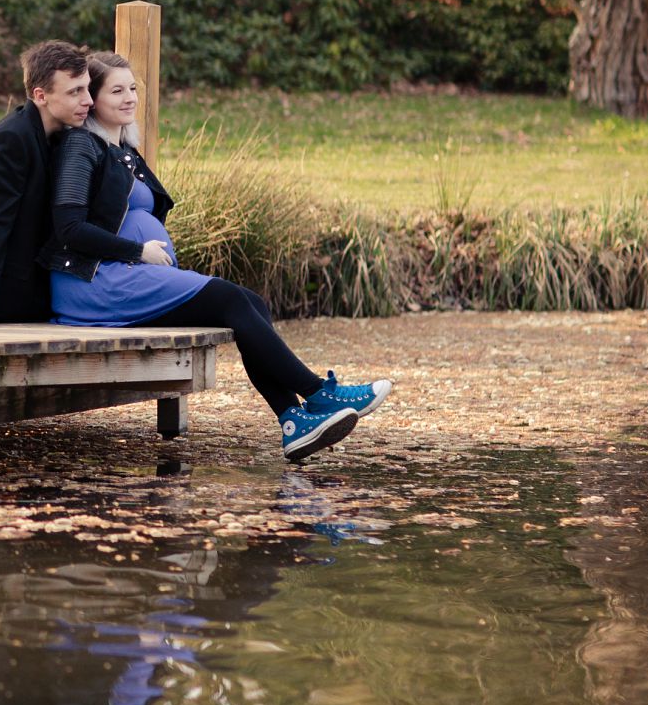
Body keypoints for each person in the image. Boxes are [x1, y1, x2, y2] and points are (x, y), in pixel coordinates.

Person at [39, 53, 393, 461]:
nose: (129, 97)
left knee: (251, 302)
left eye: (133, 88)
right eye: (115, 90)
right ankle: (318, 393)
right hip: (93, 281)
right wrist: (138, 250)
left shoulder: (124, 149)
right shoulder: (83, 145)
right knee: (230, 300)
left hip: (124, 275)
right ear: (94, 101)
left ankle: (293, 421)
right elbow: (70, 229)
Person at [0, 40, 95, 328]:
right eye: (75, 91)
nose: (89, 100)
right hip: (9, 300)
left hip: (52, 290)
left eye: (87, 88)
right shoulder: (10, 140)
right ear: (41, 95)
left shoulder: (67, 133)